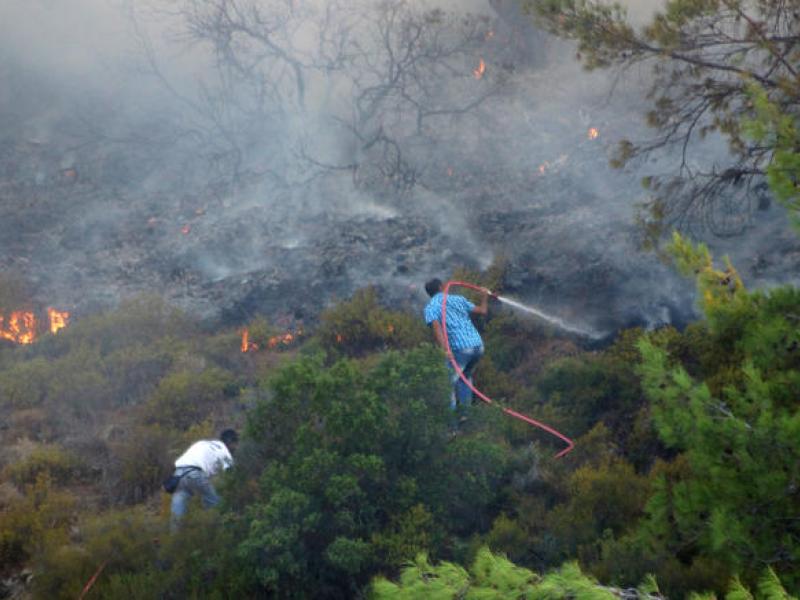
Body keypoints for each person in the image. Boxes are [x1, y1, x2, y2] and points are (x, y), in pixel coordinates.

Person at [423, 278, 489, 416]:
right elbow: (482, 311)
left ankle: (450, 422)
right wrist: (484, 297)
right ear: (441, 287)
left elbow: (437, 329)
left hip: (461, 349)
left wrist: (446, 350)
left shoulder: (430, 307)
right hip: (478, 346)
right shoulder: (458, 299)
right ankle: (466, 415)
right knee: (465, 378)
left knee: (447, 385)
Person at [169, 429, 238, 529]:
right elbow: (230, 477)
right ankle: (217, 532)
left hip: (178, 474)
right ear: (230, 442)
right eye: (235, 444)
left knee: (178, 509)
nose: (236, 448)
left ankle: (175, 535)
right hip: (195, 473)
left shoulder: (202, 443)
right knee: (216, 504)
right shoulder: (225, 451)